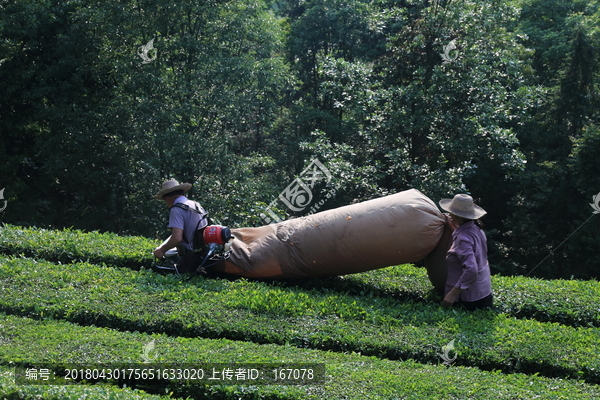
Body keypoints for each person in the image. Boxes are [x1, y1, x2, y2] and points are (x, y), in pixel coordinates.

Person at [439, 194, 493, 311]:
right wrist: (451, 225)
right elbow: (464, 242)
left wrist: (452, 294)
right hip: (483, 293)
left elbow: (471, 270)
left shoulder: (463, 238)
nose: (450, 214)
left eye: (452, 212)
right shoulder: (477, 229)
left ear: (461, 216)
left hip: (468, 299)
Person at [153, 179, 208, 273]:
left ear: (167, 197)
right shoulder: (196, 204)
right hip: (204, 255)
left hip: (190, 258)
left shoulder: (177, 209)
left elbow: (177, 238)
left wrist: (161, 251)